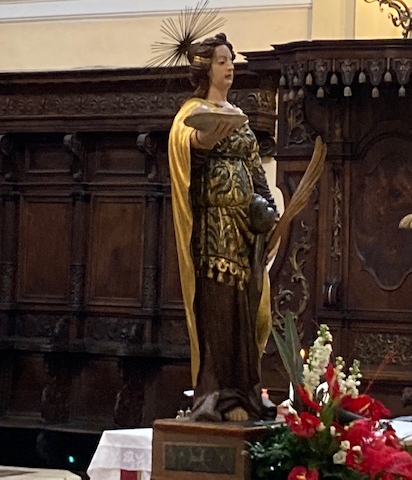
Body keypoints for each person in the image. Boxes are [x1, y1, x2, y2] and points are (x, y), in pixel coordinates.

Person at [168, 33, 278, 422]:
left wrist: (270, 214)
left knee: (246, 311)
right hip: (213, 230)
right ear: (205, 69)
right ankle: (216, 393)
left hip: (245, 231)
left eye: (231, 60)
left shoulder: (239, 115)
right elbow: (185, 152)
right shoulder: (191, 113)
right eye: (221, 61)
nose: (229, 66)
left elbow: (256, 171)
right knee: (218, 308)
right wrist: (203, 139)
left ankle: (246, 391)